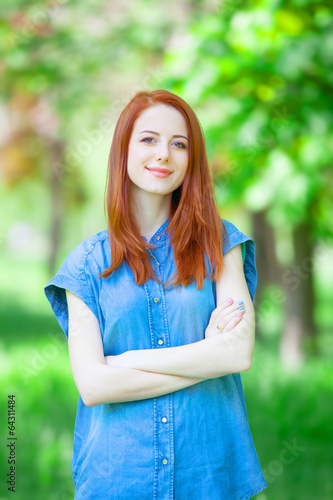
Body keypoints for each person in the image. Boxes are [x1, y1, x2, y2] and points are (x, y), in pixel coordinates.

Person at [45, 89, 267, 500]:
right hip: (118, 477)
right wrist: (206, 354)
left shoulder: (221, 245)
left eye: (179, 144)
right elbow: (93, 385)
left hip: (210, 473)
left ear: (191, 159)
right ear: (123, 150)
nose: (163, 154)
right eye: (148, 139)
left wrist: (128, 362)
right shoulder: (84, 266)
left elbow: (237, 354)